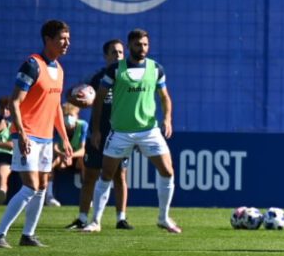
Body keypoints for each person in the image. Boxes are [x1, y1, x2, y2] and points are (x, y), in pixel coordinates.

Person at [81, 28, 181, 234]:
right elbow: (99, 99)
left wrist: (168, 119)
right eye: (138, 45)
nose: (142, 48)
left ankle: (163, 218)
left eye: (145, 44)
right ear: (129, 47)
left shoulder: (156, 69)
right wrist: (98, 130)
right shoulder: (116, 70)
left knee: (168, 171)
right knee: (106, 174)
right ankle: (95, 221)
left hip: (149, 130)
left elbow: (164, 97)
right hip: (121, 132)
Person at [0, 20, 72, 248]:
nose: (67, 43)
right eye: (62, 39)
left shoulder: (59, 69)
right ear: (48, 40)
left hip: (46, 137)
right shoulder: (32, 65)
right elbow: (14, 102)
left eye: (68, 38)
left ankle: (28, 235)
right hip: (28, 135)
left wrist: (64, 138)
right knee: (30, 187)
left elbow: (55, 107)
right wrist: (22, 134)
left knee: (42, 187)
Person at [66, 39, 132, 230]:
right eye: (114, 52)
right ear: (105, 56)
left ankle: (121, 218)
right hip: (98, 134)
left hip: (120, 135)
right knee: (90, 177)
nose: (118, 56)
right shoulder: (96, 78)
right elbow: (72, 95)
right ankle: (82, 218)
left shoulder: (128, 77)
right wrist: (78, 99)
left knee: (120, 176)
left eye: (120, 52)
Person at [44, 103, 87, 206]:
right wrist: (63, 155)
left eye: (71, 115)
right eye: (65, 115)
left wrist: (70, 156)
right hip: (62, 158)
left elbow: (82, 150)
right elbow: (55, 147)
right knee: (51, 163)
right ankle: (48, 196)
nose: (68, 118)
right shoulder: (58, 125)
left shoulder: (83, 125)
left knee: (84, 162)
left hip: (76, 158)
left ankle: (87, 198)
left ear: (77, 116)